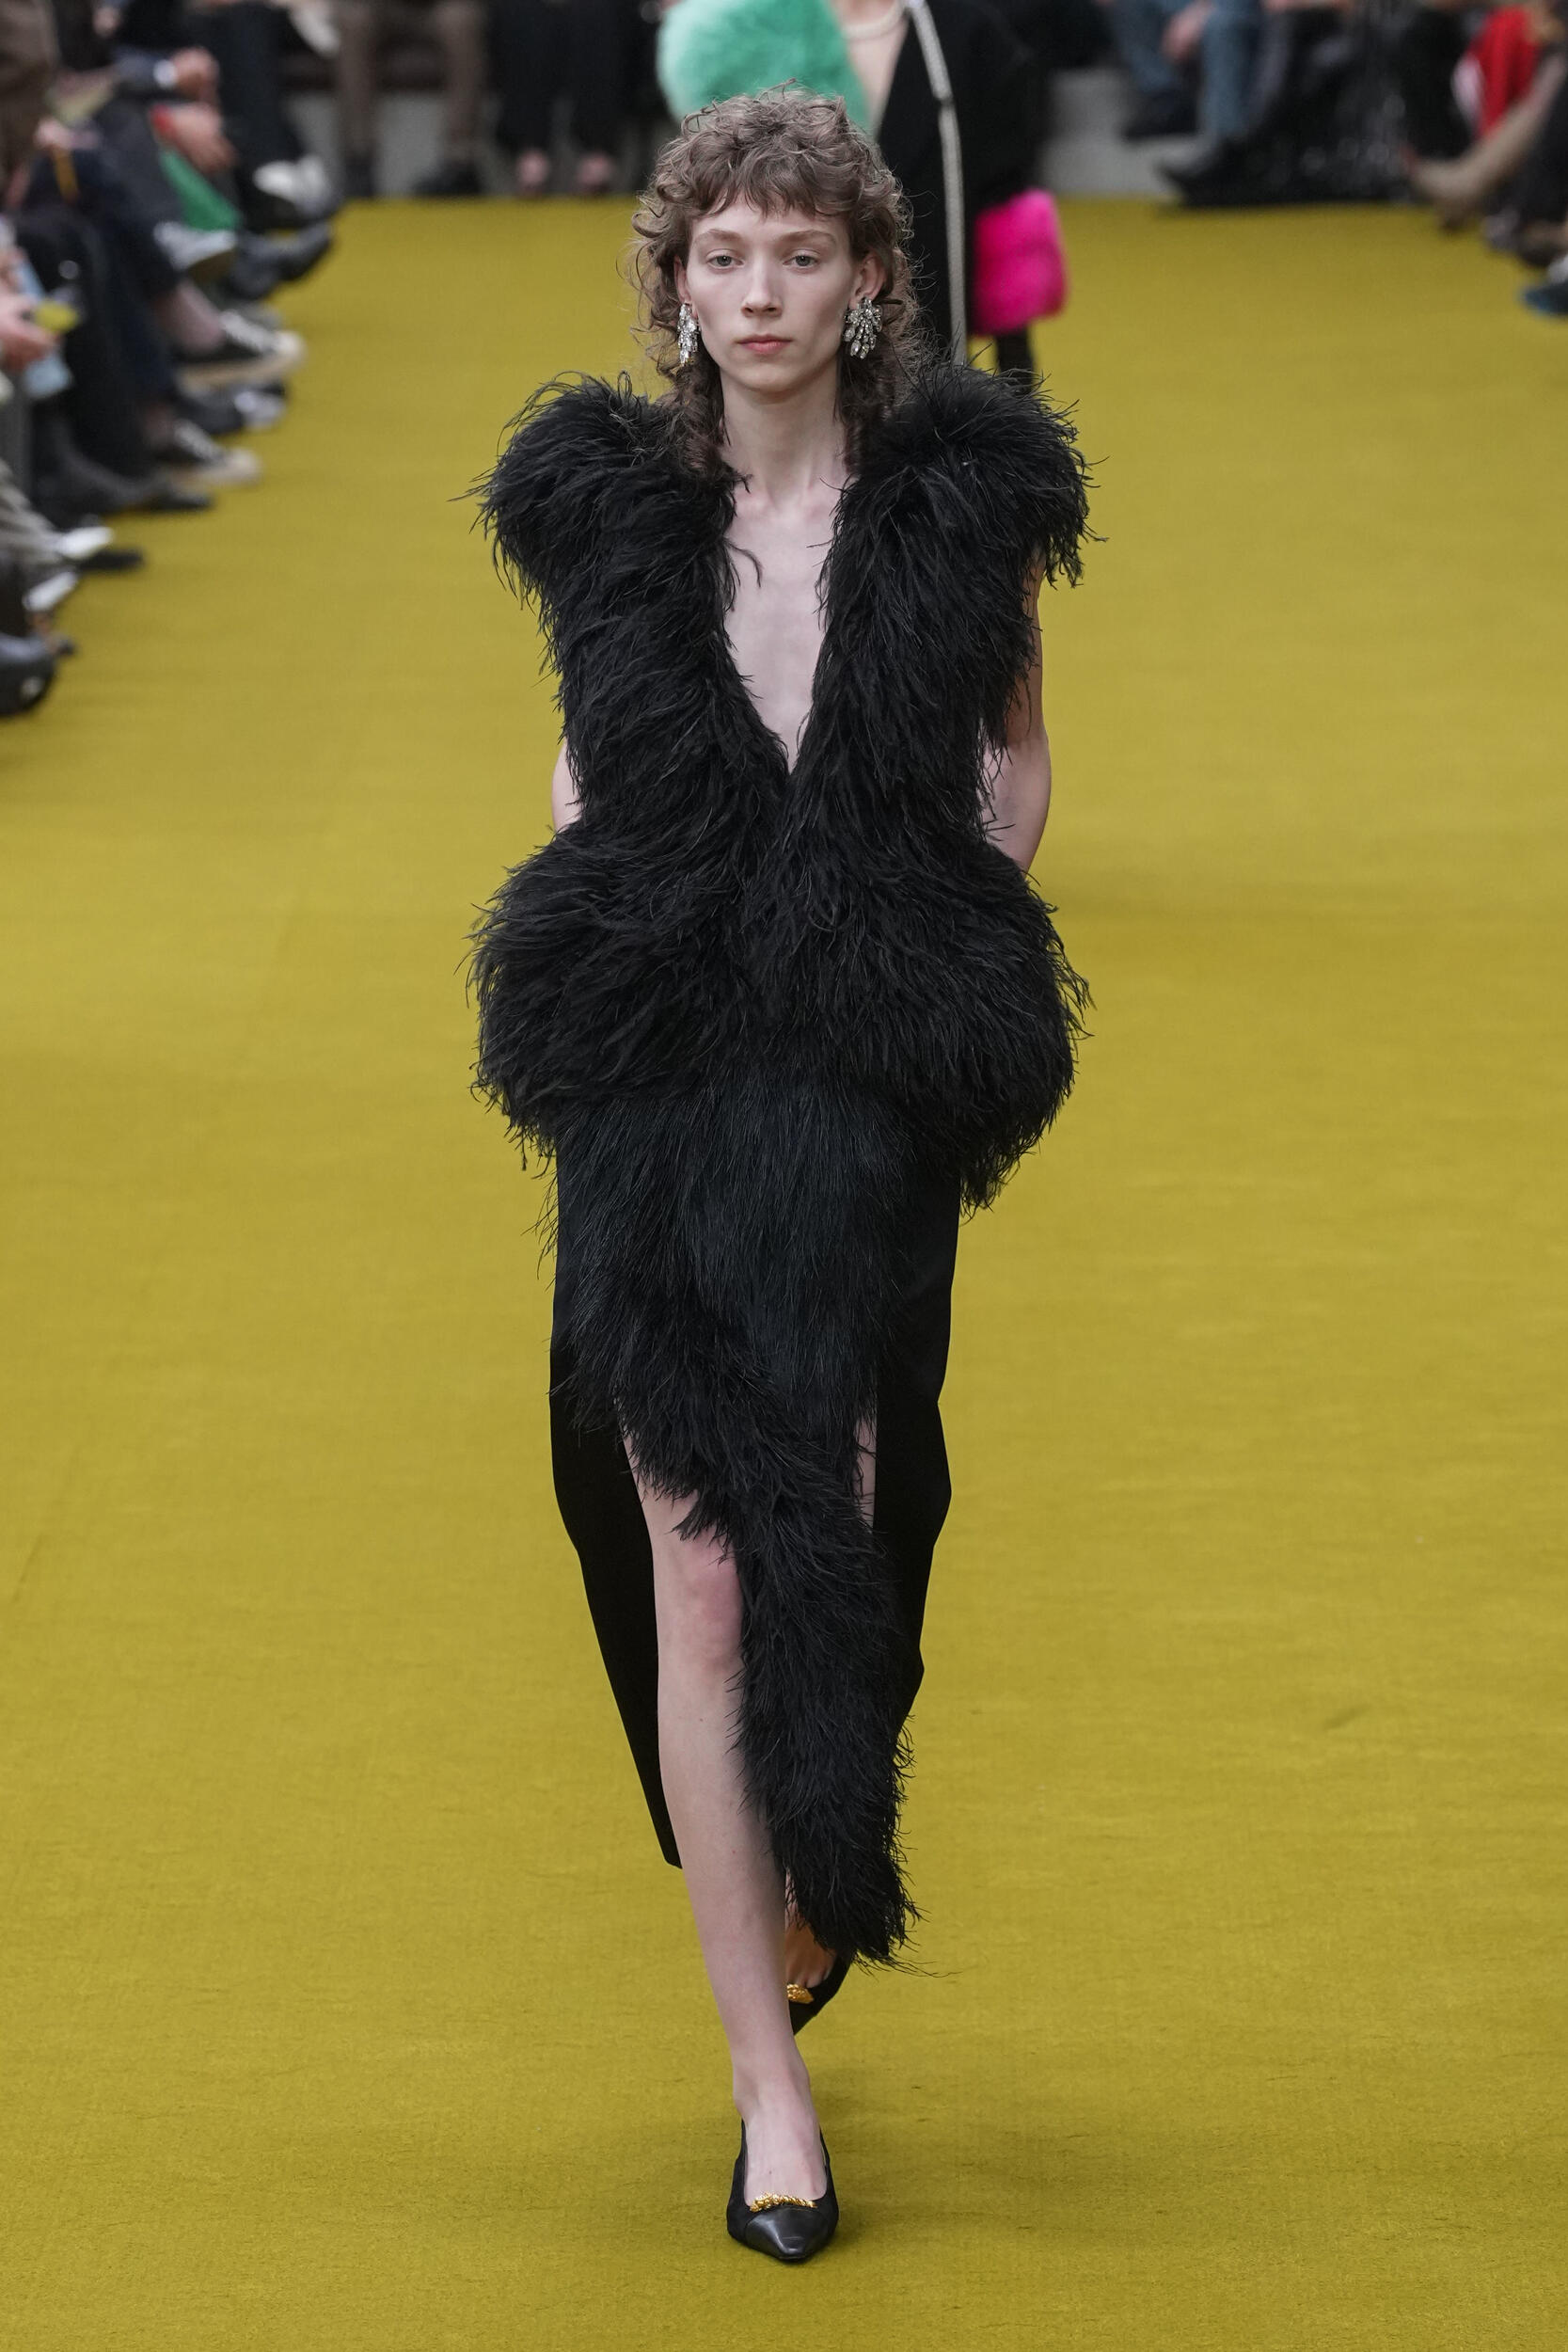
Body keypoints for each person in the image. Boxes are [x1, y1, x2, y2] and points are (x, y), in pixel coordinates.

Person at [472, 86, 1088, 2259]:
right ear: (675, 283)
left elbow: (1015, 760)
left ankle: (821, 1847)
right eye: (722, 257)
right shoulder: (610, 516)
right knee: (701, 1572)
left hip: (863, 1083)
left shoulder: (959, 518)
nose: (758, 295)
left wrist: (925, 951)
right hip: (656, 1078)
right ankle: (768, 2089)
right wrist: (625, 910)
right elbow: (588, 756)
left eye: (798, 257)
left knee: (864, 1510)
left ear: (869, 281)